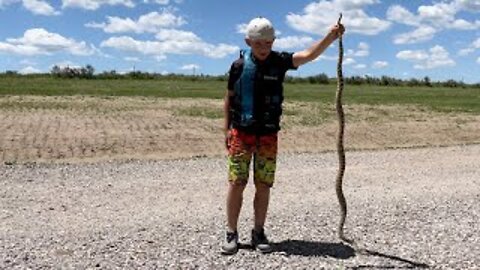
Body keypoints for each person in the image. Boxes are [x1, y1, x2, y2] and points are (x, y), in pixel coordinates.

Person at [222, 16, 345, 255]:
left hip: (268, 136)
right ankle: (231, 232)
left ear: (273, 41)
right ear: (248, 41)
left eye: (268, 42)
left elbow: (309, 55)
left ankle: (258, 232)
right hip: (241, 133)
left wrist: (331, 36)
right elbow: (228, 99)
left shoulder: (279, 61)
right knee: (236, 183)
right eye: (259, 43)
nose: (264, 47)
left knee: (263, 185)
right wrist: (226, 129)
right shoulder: (237, 66)